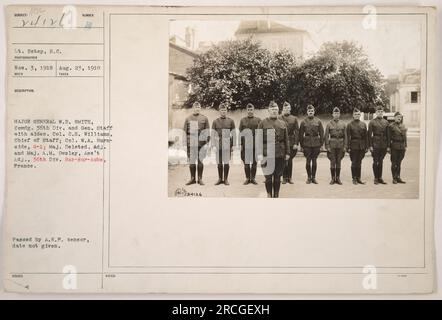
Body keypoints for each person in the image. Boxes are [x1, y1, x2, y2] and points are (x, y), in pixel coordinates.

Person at [257, 101, 290, 198]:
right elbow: (258, 139)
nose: (274, 111)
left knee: (277, 177)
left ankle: (276, 195)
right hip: (266, 153)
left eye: (276, 109)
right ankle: (269, 195)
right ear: (268, 111)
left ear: (278, 110)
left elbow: (286, 139)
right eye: (272, 110)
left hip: (280, 153)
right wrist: (259, 153)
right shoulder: (262, 123)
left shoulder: (282, 123)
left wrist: (287, 152)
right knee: (268, 177)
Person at [183, 102, 210, 185]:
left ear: (200, 108)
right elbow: (184, 133)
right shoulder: (188, 119)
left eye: (199, 107)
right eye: (196, 107)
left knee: (200, 161)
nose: (197, 109)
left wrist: (207, 144)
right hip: (191, 143)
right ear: (193, 108)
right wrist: (184, 145)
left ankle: (200, 179)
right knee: (191, 162)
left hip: (201, 144)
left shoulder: (204, 118)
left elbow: (207, 132)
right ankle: (192, 178)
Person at [299, 104, 324, 184]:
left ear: (314, 112)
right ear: (307, 112)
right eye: (309, 111)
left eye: (312, 111)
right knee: (308, 161)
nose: (310, 112)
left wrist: (321, 145)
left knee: (314, 160)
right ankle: (308, 177)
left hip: (316, 143)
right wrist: (302, 146)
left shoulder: (318, 121)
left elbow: (322, 134)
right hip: (307, 144)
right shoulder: (303, 122)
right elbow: (300, 135)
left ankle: (314, 177)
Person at [211, 103, 236, 185]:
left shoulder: (231, 121)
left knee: (226, 162)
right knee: (219, 162)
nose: (223, 112)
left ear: (227, 111)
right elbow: (213, 134)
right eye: (222, 110)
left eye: (225, 110)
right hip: (218, 144)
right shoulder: (215, 121)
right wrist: (213, 145)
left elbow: (234, 134)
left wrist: (233, 145)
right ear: (219, 111)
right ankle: (219, 179)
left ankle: (225, 179)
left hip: (227, 144)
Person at [239, 103, 261, 185]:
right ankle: (247, 178)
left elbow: (261, 133)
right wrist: (241, 145)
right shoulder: (242, 120)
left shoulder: (258, 120)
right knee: (246, 163)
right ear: (246, 110)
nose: (250, 111)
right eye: (248, 110)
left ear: (253, 110)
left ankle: (253, 178)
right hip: (246, 145)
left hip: (255, 145)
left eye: (251, 109)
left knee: (254, 163)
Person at [324, 107, 347, 185]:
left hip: (340, 144)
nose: (336, 115)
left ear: (339, 114)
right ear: (332, 114)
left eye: (337, 113)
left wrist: (345, 146)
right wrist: (327, 146)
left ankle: (338, 178)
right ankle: (333, 178)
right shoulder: (329, 124)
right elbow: (326, 136)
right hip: (332, 145)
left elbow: (345, 136)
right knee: (332, 162)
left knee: (339, 161)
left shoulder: (343, 124)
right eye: (335, 113)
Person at [278, 101, 299, 184]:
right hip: (282, 142)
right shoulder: (279, 118)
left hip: (291, 142)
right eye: (285, 108)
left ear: (290, 109)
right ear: (283, 109)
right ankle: (284, 177)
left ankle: (289, 177)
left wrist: (296, 143)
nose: (286, 109)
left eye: (288, 108)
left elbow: (297, 131)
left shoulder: (294, 118)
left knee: (289, 160)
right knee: (283, 160)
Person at [368, 106, 389, 184]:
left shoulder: (386, 122)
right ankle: (376, 178)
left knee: (381, 161)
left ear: (383, 112)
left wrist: (388, 146)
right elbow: (369, 135)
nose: (380, 113)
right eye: (378, 111)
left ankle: (380, 177)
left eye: (381, 111)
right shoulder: (372, 122)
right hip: (375, 143)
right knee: (375, 161)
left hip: (383, 144)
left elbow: (388, 135)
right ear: (376, 113)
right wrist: (370, 145)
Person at [346, 108, 368, 185]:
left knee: (359, 162)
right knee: (354, 162)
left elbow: (366, 136)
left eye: (358, 114)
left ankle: (359, 178)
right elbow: (348, 137)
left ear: (360, 115)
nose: (357, 115)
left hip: (362, 145)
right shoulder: (349, 125)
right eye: (355, 114)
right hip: (353, 145)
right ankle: (354, 178)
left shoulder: (363, 124)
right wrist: (347, 147)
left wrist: (366, 146)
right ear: (353, 115)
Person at [388, 111, 407, 184]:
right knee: (394, 163)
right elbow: (389, 137)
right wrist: (388, 147)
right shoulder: (391, 126)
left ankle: (398, 177)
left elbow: (405, 137)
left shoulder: (403, 126)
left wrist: (405, 145)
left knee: (399, 163)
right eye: (398, 117)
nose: (399, 118)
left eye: (400, 117)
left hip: (401, 146)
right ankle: (394, 178)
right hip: (394, 146)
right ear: (394, 118)